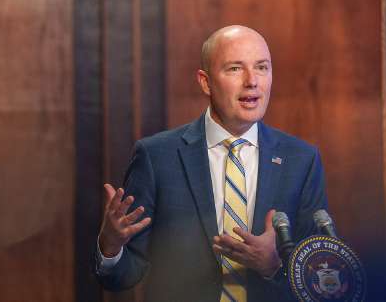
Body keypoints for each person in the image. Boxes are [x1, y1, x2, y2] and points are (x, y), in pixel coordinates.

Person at [95, 25, 329, 301]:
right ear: (205, 82)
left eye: (262, 67)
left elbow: (321, 280)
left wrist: (273, 266)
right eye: (234, 69)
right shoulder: (157, 157)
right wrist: (110, 246)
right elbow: (123, 277)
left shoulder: (301, 160)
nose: (252, 81)